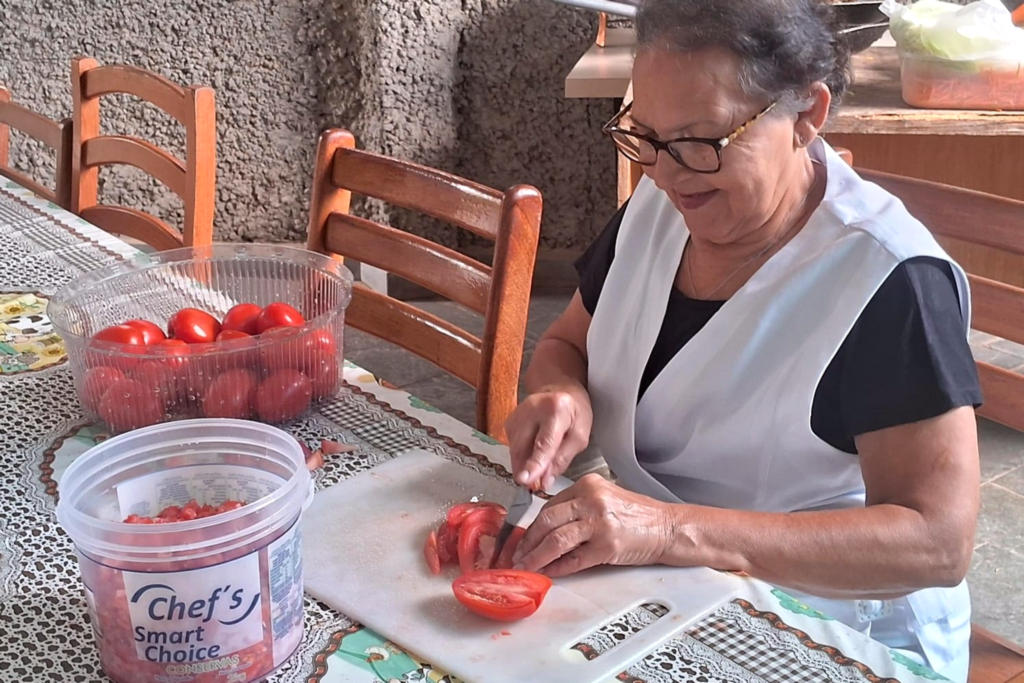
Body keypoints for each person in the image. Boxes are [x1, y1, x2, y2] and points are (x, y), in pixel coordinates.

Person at [504, 0, 982, 678]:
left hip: (831, 625)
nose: (667, 175)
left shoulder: (887, 279)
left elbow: (936, 541)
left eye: (703, 142)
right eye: (647, 137)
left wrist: (669, 530)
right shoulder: (661, 201)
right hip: (674, 587)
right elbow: (567, 344)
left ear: (806, 117)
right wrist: (561, 394)